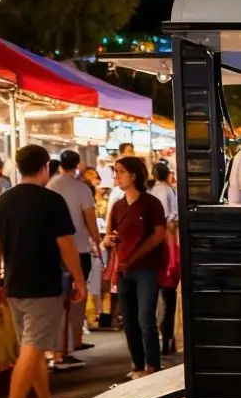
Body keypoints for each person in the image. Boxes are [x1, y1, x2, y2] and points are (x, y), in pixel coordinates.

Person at [0, 144, 86, 398]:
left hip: (15, 287)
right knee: (32, 349)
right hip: (43, 286)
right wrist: (79, 281)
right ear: (44, 167)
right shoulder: (51, 201)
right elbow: (66, 246)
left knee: (33, 348)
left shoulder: (2, 202)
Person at [106, 156, 167, 379]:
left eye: (120, 171)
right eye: (116, 172)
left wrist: (135, 256)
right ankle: (137, 366)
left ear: (133, 175)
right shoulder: (118, 205)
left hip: (146, 269)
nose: (116, 176)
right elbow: (108, 238)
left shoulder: (151, 203)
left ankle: (153, 366)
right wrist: (110, 241)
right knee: (129, 320)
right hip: (123, 270)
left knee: (145, 319)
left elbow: (158, 235)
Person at [46, 149, 101, 370]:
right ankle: (69, 347)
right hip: (79, 250)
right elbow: (90, 220)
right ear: (77, 165)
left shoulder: (51, 186)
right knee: (77, 299)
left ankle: (60, 349)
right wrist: (97, 241)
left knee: (60, 302)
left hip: (54, 251)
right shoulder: (81, 189)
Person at [149, 160, 180, 355]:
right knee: (169, 299)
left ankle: (163, 340)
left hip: (157, 250)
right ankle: (167, 339)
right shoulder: (168, 191)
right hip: (169, 246)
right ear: (168, 174)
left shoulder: (152, 192)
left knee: (159, 300)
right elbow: (171, 219)